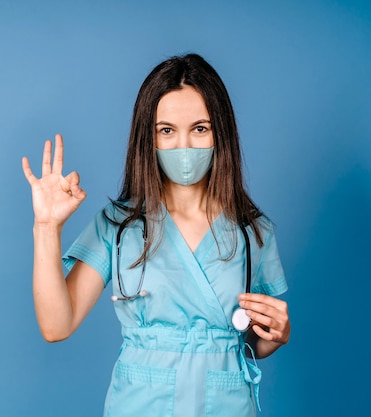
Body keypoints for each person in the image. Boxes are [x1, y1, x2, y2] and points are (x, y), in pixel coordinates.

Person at [21, 53, 290, 417]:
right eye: (167, 130)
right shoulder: (118, 225)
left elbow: (251, 342)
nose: (184, 146)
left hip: (226, 405)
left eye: (200, 128)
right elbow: (56, 325)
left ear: (220, 132)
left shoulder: (252, 231)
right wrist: (46, 228)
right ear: (148, 138)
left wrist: (275, 335)